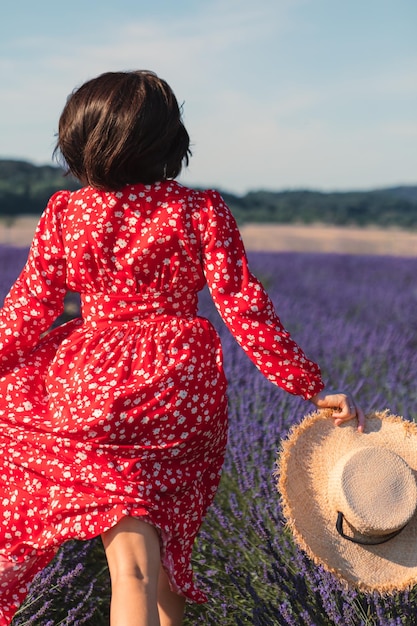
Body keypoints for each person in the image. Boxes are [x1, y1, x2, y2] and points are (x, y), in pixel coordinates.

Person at [0, 70, 364, 626]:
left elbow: (28, 310)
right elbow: (243, 305)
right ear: (169, 142)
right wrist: (307, 385)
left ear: (78, 139)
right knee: (154, 557)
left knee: (137, 565)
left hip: (87, 389)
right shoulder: (200, 211)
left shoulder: (66, 215)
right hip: (178, 392)